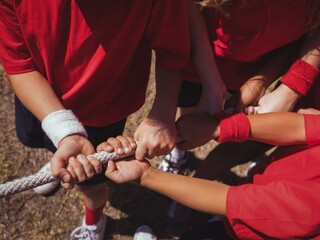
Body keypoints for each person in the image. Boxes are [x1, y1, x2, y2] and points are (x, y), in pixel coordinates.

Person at [157, 0, 320, 237]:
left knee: (278, 168)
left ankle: (247, 180)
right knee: (231, 145)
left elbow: (238, 202)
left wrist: (147, 176)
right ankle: (192, 189)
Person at [0, 1, 190, 239]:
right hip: (39, 101)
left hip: (103, 110)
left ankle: (94, 220)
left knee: (90, 185)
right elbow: (18, 63)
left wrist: (162, 115)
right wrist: (64, 131)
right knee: (37, 139)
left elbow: (173, 50)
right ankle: (57, 155)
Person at [95, 109, 320, 239]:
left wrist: (145, 174)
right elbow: (307, 127)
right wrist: (219, 128)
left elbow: (240, 202)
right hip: (268, 195)